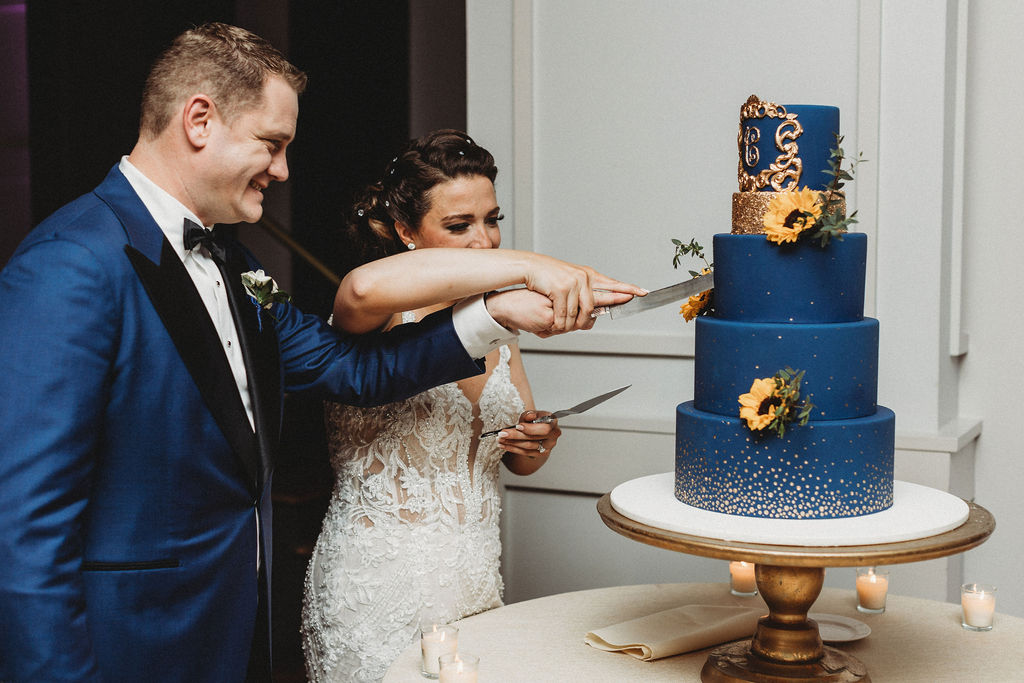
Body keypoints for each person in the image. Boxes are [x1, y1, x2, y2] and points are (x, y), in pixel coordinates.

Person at [0, 25, 642, 683]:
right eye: (271, 144)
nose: (282, 169)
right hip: (131, 647)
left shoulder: (231, 262)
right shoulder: (70, 265)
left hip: (235, 634)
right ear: (199, 120)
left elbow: (357, 368)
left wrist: (496, 312)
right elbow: (24, 531)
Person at [301, 130, 572, 682]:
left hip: (474, 580)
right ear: (405, 231)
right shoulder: (374, 317)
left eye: (492, 220)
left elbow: (517, 457)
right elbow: (358, 290)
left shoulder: (496, 326)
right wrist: (532, 267)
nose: (484, 242)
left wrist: (537, 443)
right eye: (458, 225)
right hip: (379, 584)